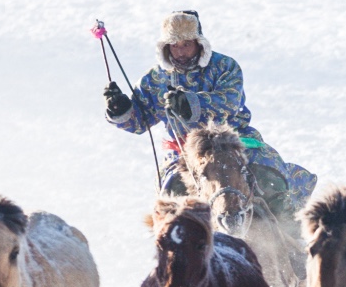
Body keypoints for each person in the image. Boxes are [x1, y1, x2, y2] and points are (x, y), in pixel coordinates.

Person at [102, 11, 316, 214]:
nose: (180, 51)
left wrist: (191, 104)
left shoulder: (225, 66)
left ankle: (291, 236)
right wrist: (121, 110)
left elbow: (230, 101)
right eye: (174, 46)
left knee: (271, 177)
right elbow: (140, 123)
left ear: (198, 43)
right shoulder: (154, 78)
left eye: (186, 44)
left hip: (234, 140)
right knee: (169, 198)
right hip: (184, 151)